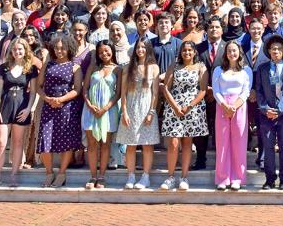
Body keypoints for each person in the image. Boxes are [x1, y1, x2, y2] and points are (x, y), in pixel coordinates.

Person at [159, 40, 209, 191]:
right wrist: (175, 106)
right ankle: (171, 176)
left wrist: (190, 106)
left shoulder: (201, 67)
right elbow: (166, 88)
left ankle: (184, 177)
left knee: (187, 143)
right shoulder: (174, 66)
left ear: (194, 52)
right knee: (174, 143)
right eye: (184, 50)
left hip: (192, 109)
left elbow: (203, 90)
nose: (187, 53)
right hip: (174, 108)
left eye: (189, 50)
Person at [0, 37, 39, 188]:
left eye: (20, 49)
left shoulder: (30, 69)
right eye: (15, 49)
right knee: (1, 142)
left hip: (22, 107)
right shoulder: (3, 67)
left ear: (25, 50)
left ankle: (14, 175)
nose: (17, 51)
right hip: (5, 106)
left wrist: (29, 109)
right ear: (11, 51)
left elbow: (33, 92)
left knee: (18, 143)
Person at [37, 34, 83, 187]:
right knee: (45, 140)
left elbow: (77, 89)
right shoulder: (47, 65)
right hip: (48, 106)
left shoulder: (75, 67)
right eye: (56, 48)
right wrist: (47, 99)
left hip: (67, 107)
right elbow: (38, 86)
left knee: (66, 141)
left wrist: (60, 100)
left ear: (69, 49)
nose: (59, 51)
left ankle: (62, 173)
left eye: (62, 48)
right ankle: (49, 172)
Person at [118, 38, 160, 190]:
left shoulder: (154, 67)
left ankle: (146, 176)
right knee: (130, 144)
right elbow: (123, 93)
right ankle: (130, 175)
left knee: (147, 144)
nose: (140, 50)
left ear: (148, 49)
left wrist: (151, 112)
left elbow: (155, 93)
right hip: (130, 107)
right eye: (138, 47)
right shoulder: (128, 67)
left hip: (146, 108)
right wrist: (124, 112)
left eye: (143, 47)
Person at [257, 34, 283, 189]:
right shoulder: (262, 69)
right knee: (268, 147)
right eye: (273, 48)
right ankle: (270, 179)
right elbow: (259, 91)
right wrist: (266, 108)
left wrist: (280, 110)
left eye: (279, 48)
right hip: (266, 115)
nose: (276, 51)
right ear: (268, 50)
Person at [212, 41, 253, 191]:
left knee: (239, 143)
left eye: (234, 50)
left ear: (239, 52)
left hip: (239, 107)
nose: (232, 53)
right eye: (229, 51)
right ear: (225, 53)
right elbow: (216, 90)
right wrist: (225, 106)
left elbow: (246, 91)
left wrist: (234, 107)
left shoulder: (245, 71)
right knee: (222, 143)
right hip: (222, 106)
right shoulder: (218, 70)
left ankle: (237, 178)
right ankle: (223, 178)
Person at [81, 41, 121, 189]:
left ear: (112, 51)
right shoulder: (93, 67)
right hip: (90, 110)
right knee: (92, 145)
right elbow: (84, 89)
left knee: (105, 145)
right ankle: (92, 176)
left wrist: (105, 108)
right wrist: (90, 105)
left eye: (107, 51)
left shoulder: (118, 69)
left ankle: (102, 177)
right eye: (101, 52)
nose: (104, 54)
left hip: (109, 111)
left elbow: (118, 93)